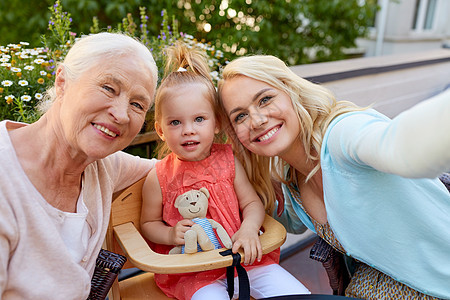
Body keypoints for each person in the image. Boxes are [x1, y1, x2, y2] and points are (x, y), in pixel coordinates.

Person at [217, 54, 450, 300]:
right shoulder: (292, 180)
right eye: (240, 116)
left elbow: (397, 145)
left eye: (265, 99)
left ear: (291, 91)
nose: (257, 120)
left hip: (437, 285)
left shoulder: (341, 134)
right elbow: (286, 222)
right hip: (376, 284)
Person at [140, 42, 310, 300]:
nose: (188, 130)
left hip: (244, 259)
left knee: (297, 294)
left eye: (199, 119)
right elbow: (148, 223)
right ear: (161, 130)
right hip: (193, 272)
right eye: (175, 122)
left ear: (217, 122)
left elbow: (251, 203)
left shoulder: (228, 160)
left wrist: (249, 229)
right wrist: (169, 234)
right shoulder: (159, 176)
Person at [0, 32, 159, 299]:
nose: (121, 114)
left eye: (137, 104)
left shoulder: (104, 166)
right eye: (109, 88)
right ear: (62, 81)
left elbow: (174, 169)